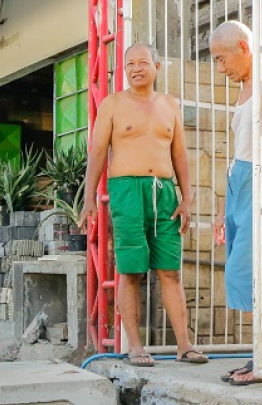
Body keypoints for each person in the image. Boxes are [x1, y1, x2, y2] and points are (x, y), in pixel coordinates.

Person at [81, 43, 207, 367]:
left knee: (170, 271)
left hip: (164, 191)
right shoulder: (112, 104)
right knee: (131, 270)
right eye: (130, 64)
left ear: (157, 66)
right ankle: (135, 346)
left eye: (143, 62)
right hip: (126, 191)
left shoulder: (170, 105)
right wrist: (89, 200)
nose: (136, 68)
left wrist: (187, 199)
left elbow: (179, 154)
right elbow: (97, 153)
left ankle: (185, 345)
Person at [209, 21, 262, 386]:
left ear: (244, 48)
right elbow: (243, 146)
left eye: (220, 58)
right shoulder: (246, 85)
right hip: (241, 182)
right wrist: (223, 207)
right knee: (249, 275)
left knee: (249, 274)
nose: (219, 67)